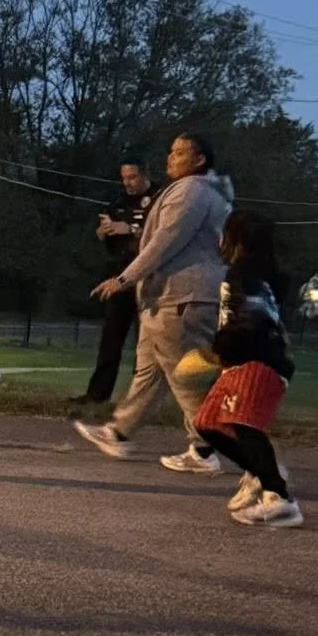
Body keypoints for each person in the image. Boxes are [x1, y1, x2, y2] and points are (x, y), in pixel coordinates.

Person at [74, 130, 232, 469]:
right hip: (162, 297)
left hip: (182, 297)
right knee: (148, 372)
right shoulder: (198, 191)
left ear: (199, 160)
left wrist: (124, 279)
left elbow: (165, 240)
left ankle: (204, 449)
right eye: (171, 151)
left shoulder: (193, 191)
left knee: (185, 375)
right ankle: (119, 432)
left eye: (178, 153)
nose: (169, 158)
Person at [192, 212, 302, 528]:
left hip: (256, 359)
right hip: (241, 360)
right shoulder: (255, 274)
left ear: (236, 239)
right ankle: (262, 471)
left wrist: (219, 349)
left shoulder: (244, 276)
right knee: (207, 423)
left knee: (244, 424)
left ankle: (279, 497)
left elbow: (250, 322)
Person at [68, 154, 156, 411]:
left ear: (145, 174)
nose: (128, 183)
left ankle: (140, 402)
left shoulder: (160, 200)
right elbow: (106, 237)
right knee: (111, 338)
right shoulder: (117, 201)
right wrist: (103, 232)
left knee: (145, 343)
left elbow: (163, 238)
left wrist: (130, 229)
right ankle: (97, 395)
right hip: (118, 278)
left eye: (133, 177)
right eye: (124, 178)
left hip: (148, 281)